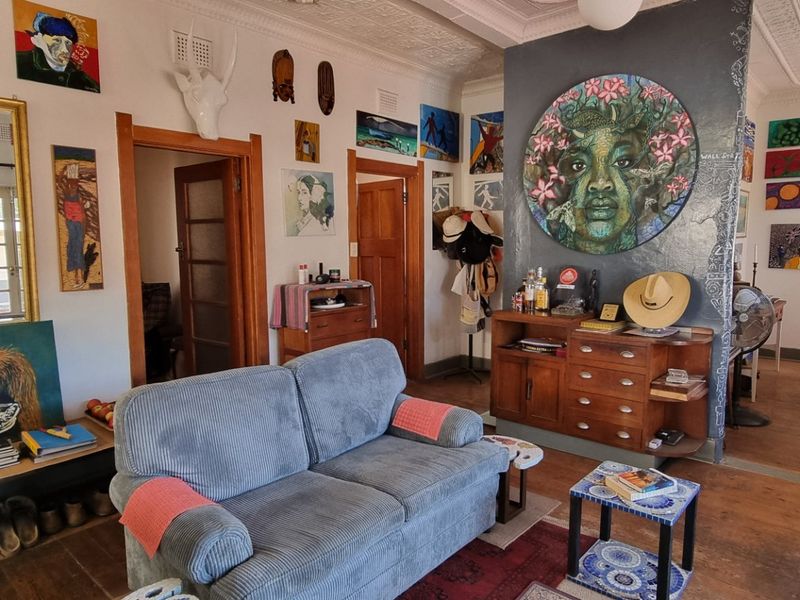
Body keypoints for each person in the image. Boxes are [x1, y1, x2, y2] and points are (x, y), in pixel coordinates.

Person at [16, 12, 100, 92]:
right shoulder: (19, 62)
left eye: (68, 43)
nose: (65, 50)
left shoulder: (84, 80)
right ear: (38, 40)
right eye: (57, 40)